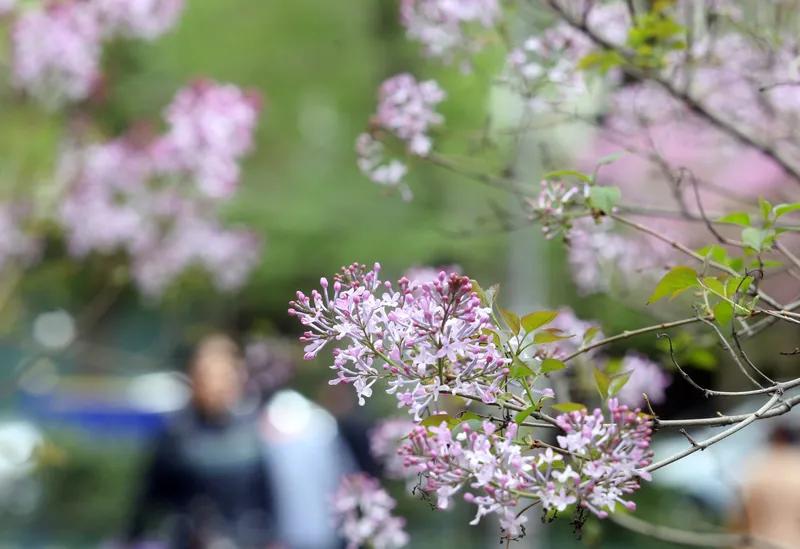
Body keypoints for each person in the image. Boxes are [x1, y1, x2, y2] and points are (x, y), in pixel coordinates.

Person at [127, 334, 275, 548]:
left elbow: (265, 500)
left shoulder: (250, 433)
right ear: (194, 379)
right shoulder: (176, 433)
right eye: (209, 377)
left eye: (223, 377)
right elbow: (148, 499)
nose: (216, 386)